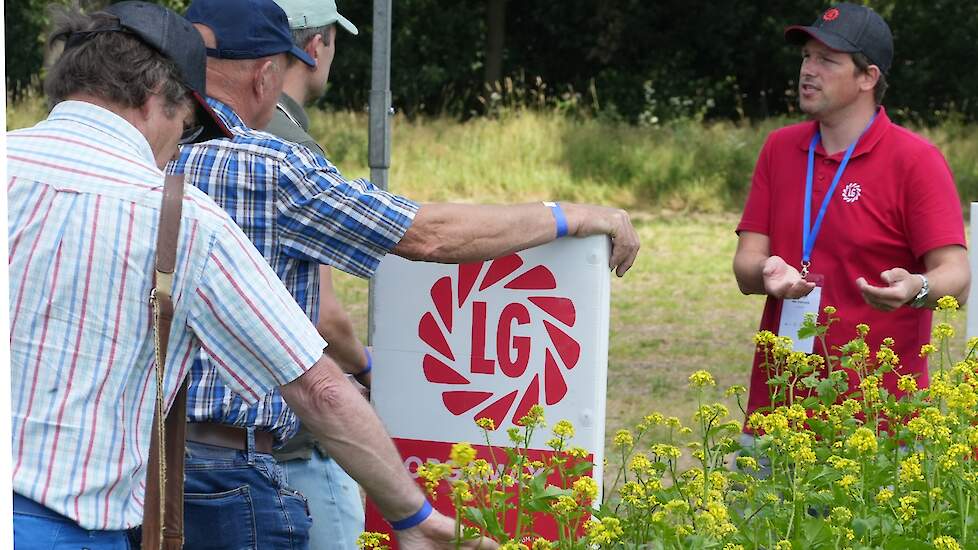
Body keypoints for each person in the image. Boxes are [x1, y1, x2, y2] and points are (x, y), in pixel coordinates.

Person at [7, 3, 490, 549]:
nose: (176, 151)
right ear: (156, 102)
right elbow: (319, 387)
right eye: (186, 127)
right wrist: (412, 516)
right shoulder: (180, 217)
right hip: (66, 527)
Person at [171, 0, 640, 546]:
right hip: (226, 471)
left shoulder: (145, 150)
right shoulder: (269, 165)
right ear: (267, 73)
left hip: (139, 458)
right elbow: (427, 234)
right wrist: (569, 217)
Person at [733, 2, 970, 439]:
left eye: (828, 60)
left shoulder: (916, 161)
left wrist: (916, 288)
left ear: (868, 77)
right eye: (807, 56)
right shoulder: (778, 149)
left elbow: (956, 274)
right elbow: (746, 263)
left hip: (877, 422)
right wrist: (766, 272)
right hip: (777, 411)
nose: (809, 70)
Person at [263, 2, 368, 548]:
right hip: (293, 442)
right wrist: (369, 369)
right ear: (315, 46)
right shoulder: (294, 149)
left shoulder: (193, 130)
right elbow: (325, 316)